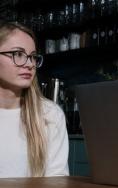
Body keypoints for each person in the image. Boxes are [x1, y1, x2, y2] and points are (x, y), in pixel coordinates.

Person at [0, 20, 69, 177]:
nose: (29, 64)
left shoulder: (49, 114)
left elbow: (56, 180)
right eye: (17, 54)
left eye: (32, 57)